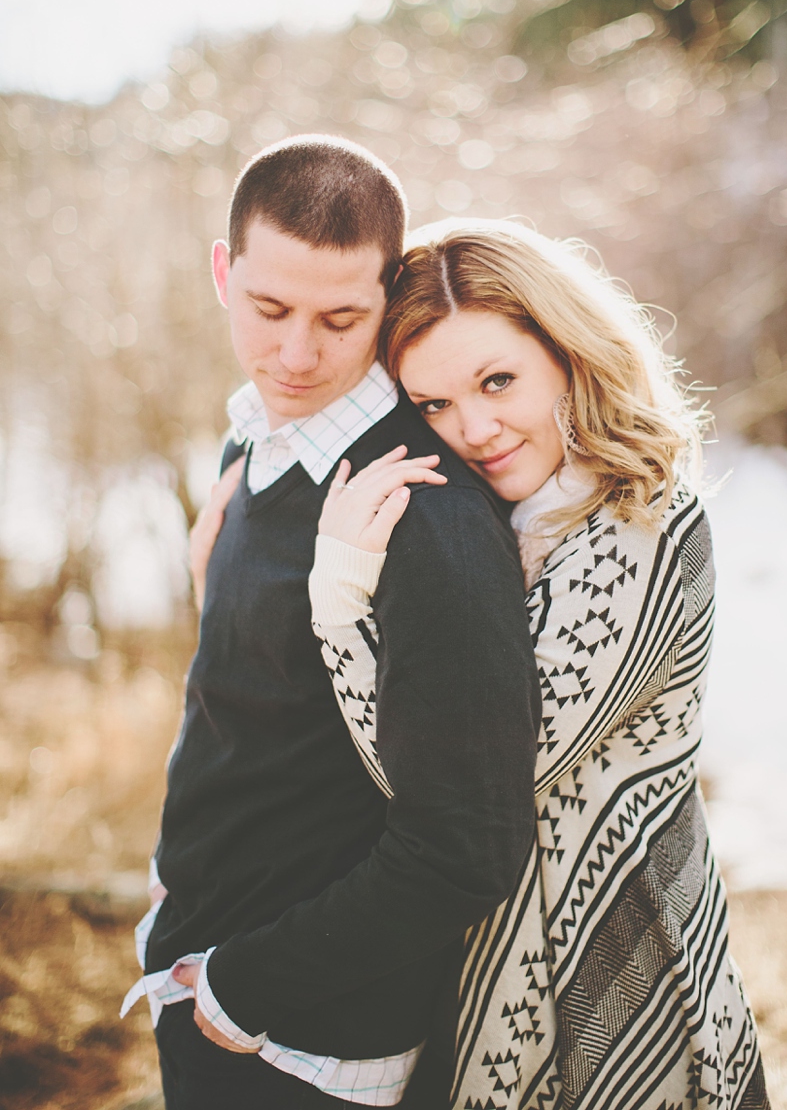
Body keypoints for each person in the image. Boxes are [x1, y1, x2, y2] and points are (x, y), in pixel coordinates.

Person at [298, 219, 771, 1109]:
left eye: (497, 380)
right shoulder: (490, 527)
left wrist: (338, 606)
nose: (472, 427)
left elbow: (463, 780)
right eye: (432, 405)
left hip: (624, 965)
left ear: (568, 351)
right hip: (495, 963)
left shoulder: (646, 520)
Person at [121, 139, 541, 1110]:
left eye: (340, 318)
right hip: (200, 968)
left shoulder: (423, 517)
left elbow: (464, 843)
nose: (296, 353)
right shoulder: (253, 437)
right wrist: (174, 874)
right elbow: (252, 702)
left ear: (387, 298)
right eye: (268, 310)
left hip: (300, 1043)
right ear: (223, 273)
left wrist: (238, 989)